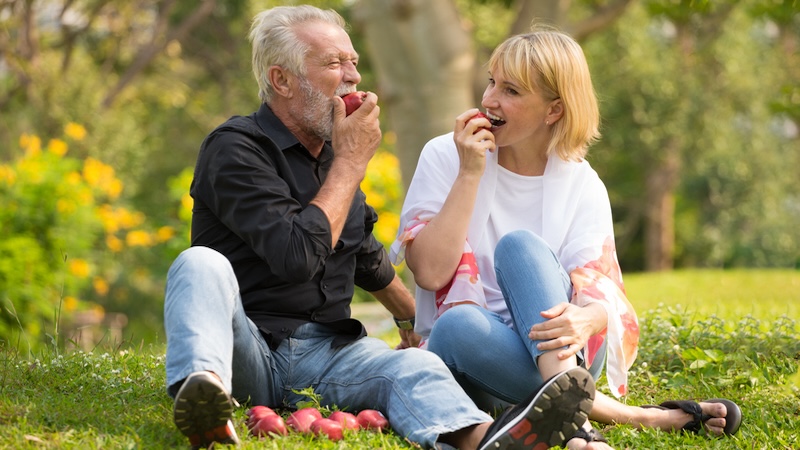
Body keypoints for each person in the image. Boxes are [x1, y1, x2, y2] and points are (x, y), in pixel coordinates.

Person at [164, 6, 597, 450]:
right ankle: (202, 390)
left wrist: (408, 314)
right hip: (250, 348)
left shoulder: (333, 156)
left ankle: (487, 439)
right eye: (335, 64)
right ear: (282, 80)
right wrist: (351, 162)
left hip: (330, 354)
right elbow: (296, 257)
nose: (353, 76)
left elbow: (363, 252)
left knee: (417, 366)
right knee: (199, 264)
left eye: (353, 61)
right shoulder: (235, 148)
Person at [389, 27, 742, 450]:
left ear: (553, 110)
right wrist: (469, 172)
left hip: (564, 351)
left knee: (520, 247)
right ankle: (633, 418)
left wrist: (588, 318)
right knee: (458, 323)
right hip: (473, 354)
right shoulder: (446, 155)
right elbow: (428, 272)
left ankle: (568, 414)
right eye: (491, 81)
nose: (488, 100)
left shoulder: (583, 183)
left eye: (511, 91)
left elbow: (601, 294)